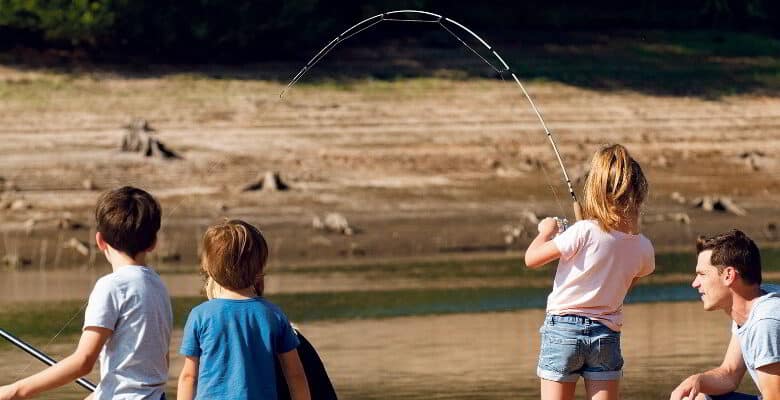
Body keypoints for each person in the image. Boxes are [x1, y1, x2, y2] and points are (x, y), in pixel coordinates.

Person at [0, 186, 173, 399]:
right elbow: (159, 363)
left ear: (100, 241)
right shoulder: (159, 286)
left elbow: (83, 362)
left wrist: (15, 390)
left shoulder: (111, 287)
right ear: (153, 243)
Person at [524, 144, 655, 400]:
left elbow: (531, 259)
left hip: (563, 330)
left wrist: (546, 231)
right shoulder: (644, 248)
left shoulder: (582, 231)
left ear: (594, 189)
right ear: (639, 195)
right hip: (605, 335)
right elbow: (625, 286)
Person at [177, 219, 310, 400]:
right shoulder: (273, 315)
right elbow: (295, 375)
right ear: (260, 268)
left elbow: (188, 377)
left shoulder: (201, 315)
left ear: (208, 267)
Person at [670, 230, 780, 400]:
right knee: (696, 396)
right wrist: (697, 380)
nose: (695, 283)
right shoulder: (751, 306)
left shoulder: (765, 322)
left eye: (702, 274)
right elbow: (730, 373)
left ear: (729, 275)